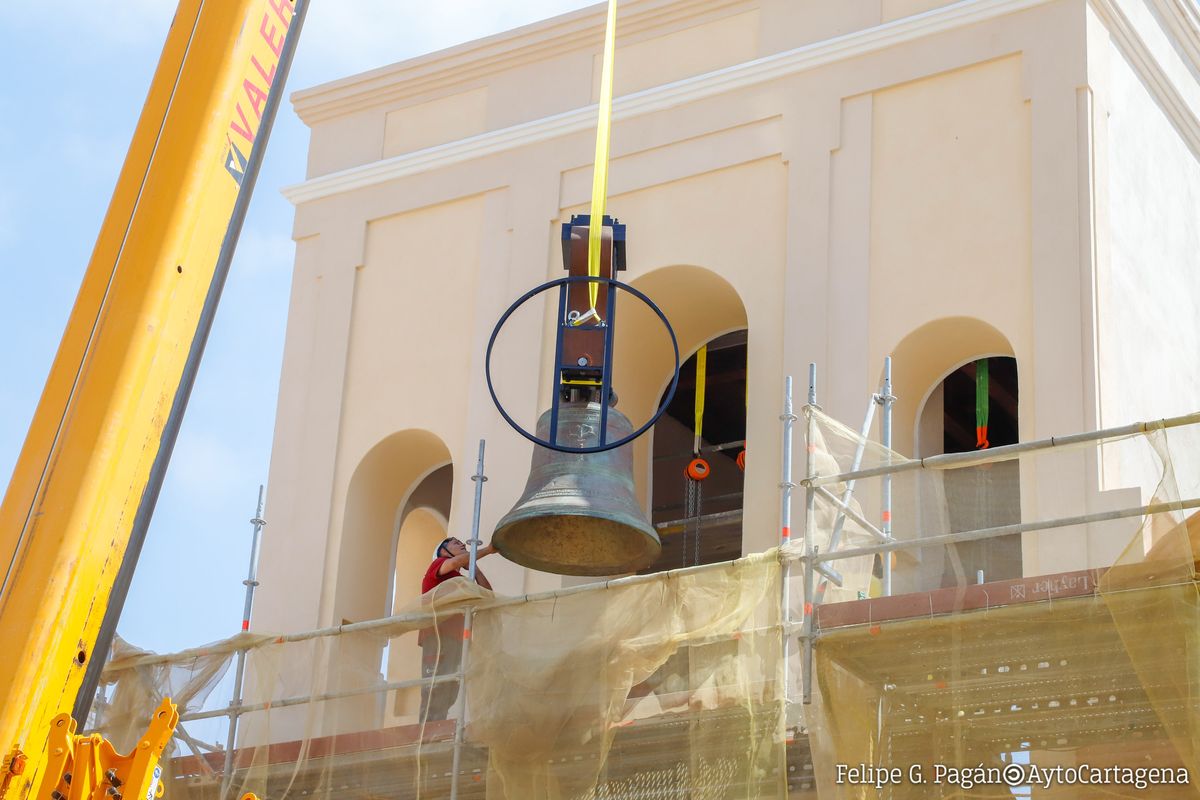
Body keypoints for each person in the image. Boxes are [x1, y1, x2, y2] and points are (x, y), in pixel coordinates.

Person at [418, 537, 496, 721]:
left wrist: (474, 569)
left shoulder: (461, 581)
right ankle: (427, 731)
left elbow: (488, 595)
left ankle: (438, 726)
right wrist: (488, 550)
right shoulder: (438, 565)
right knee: (435, 684)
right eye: (455, 542)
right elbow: (453, 563)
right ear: (443, 551)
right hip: (437, 636)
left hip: (457, 639)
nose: (461, 544)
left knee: (450, 687)